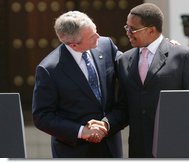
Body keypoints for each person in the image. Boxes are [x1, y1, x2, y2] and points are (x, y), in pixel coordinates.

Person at [89, 3, 189, 158]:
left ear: (151, 30)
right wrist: (105, 124)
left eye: (133, 29)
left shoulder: (182, 56)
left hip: (175, 148)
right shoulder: (124, 60)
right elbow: (124, 107)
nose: (128, 33)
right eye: (127, 28)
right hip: (139, 150)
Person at [32, 11, 123, 158]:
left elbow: (130, 66)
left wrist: (167, 48)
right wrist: (81, 131)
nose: (98, 37)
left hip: (110, 147)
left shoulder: (106, 46)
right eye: (92, 36)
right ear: (74, 44)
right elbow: (42, 116)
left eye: (96, 31)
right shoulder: (49, 69)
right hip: (74, 152)